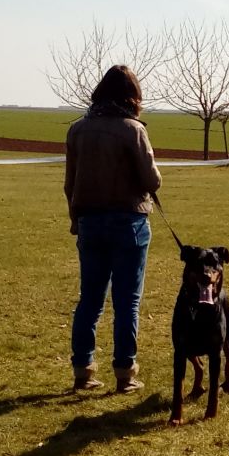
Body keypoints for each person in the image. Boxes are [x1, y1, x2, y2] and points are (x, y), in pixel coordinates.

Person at [64, 65, 162, 394]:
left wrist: (76, 217)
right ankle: (125, 372)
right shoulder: (133, 130)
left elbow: (70, 183)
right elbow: (152, 180)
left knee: (89, 301)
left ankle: (83, 370)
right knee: (127, 303)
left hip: (90, 222)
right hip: (128, 223)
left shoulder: (78, 130)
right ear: (132, 96)